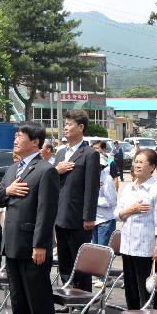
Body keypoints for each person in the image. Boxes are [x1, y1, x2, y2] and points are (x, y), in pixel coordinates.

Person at [0, 121, 60, 314]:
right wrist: (8, 190)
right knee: (17, 291)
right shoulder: (13, 170)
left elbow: (46, 211)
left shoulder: (45, 170)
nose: (16, 139)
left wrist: (41, 244)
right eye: (16, 135)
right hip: (11, 239)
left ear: (35, 141)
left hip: (32, 242)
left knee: (37, 293)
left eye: (20, 135)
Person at [114, 149, 157, 314]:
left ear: (152, 167)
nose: (136, 165)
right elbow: (117, 213)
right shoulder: (129, 187)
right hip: (128, 244)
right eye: (135, 161)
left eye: (141, 162)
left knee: (146, 285)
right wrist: (131, 210)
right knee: (130, 284)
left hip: (146, 246)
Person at [54, 110, 101, 294]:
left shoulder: (89, 153)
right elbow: (51, 183)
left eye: (69, 124)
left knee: (80, 259)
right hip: (59, 214)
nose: (65, 127)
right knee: (64, 259)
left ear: (81, 127)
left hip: (78, 217)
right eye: (64, 123)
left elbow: (92, 187)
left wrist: (88, 216)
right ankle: (67, 294)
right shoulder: (60, 154)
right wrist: (55, 171)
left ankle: (83, 297)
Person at [93, 154, 118, 247]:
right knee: (94, 250)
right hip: (94, 219)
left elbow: (110, 201)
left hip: (105, 220)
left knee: (102, 251)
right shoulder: (91, 177)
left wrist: (92, 200)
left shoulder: (107, 179)